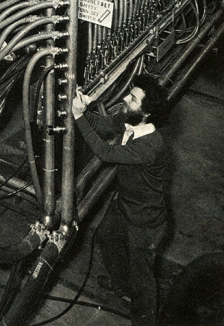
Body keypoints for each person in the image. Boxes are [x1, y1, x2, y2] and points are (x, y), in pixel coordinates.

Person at [72, 73, 170, 326]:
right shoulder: (129, 118)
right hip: (124, 203)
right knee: (107, 237)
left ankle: (144, 318)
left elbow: (105, 152)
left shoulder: (151, 145)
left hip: (145, 221)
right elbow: (105, 126)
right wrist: (84, 110)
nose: (126, 99)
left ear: (147, 113)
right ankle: (122, 287)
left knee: (143, 277)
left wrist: (78, 117)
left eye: (133, 98)